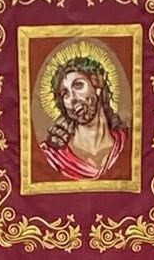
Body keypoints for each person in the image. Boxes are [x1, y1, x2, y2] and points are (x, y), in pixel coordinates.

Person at [41, 52, 130, 181]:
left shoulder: (126, 144)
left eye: (78, 85)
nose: (73, 98)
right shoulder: (54, 157)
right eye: (65, 93)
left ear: (97, 86)